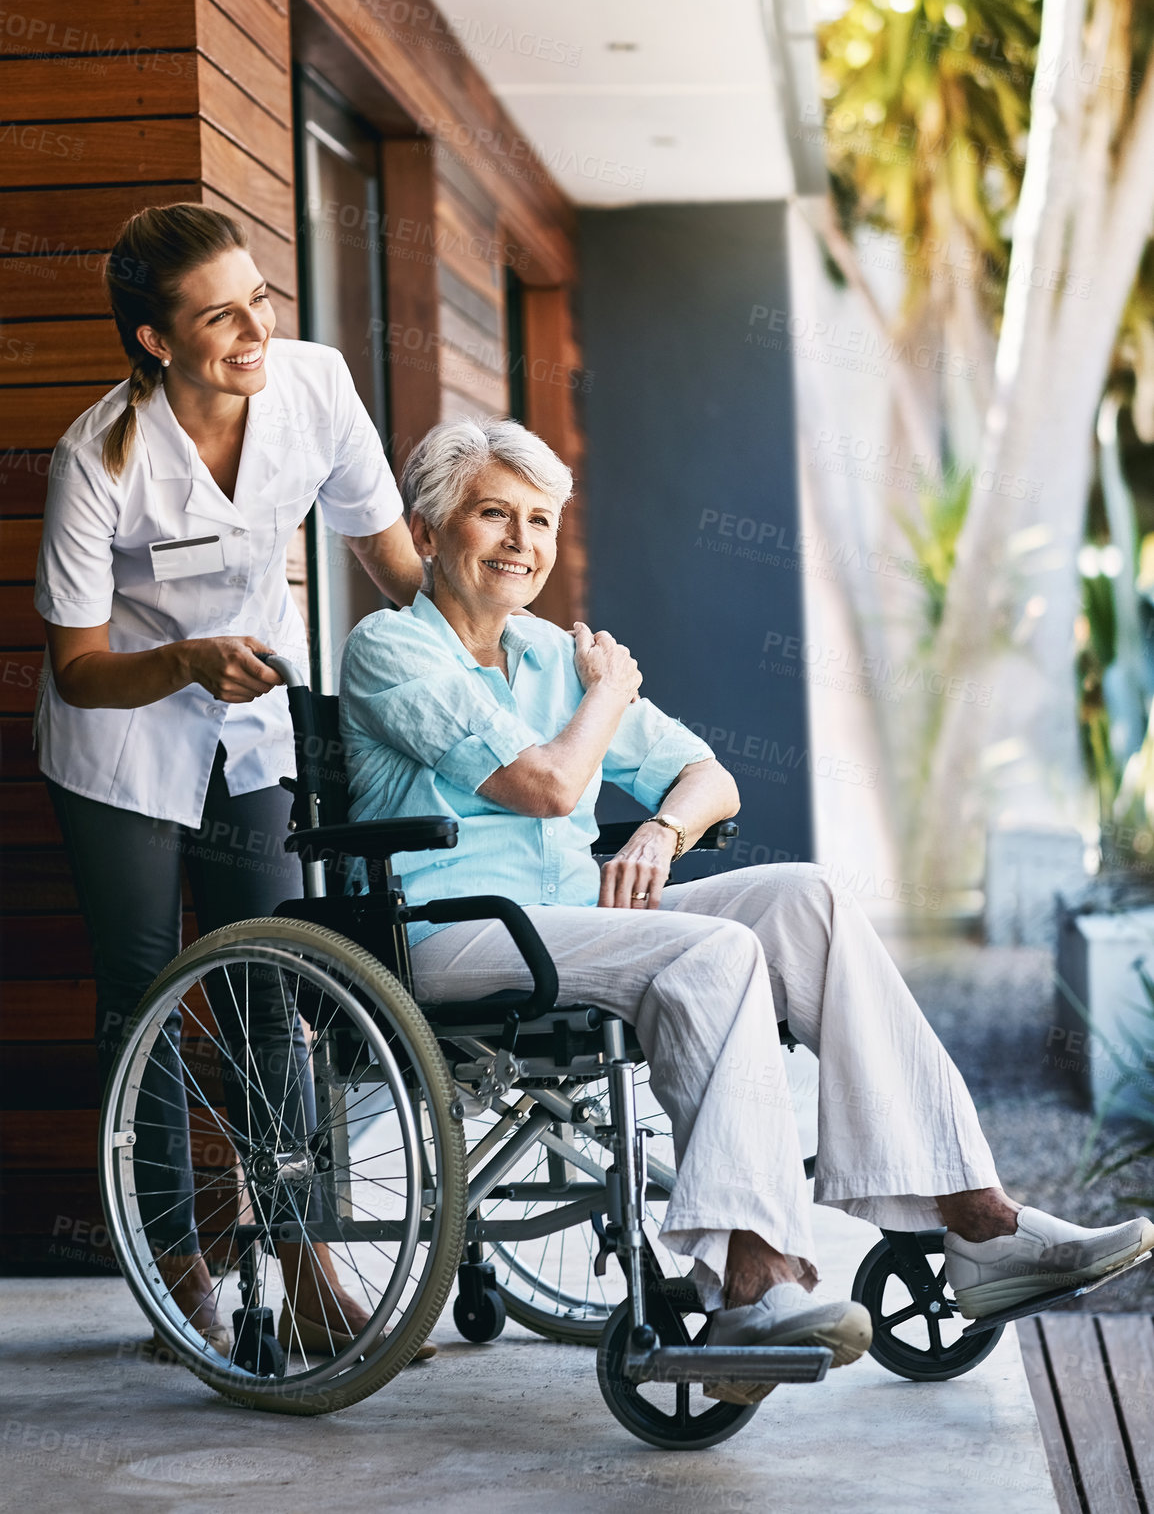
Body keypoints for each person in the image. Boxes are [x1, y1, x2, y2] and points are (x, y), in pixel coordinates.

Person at [340, 416, 1154, 1404]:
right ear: (427, 534)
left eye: (540, 519)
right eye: (492, 515)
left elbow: (706, 776)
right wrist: (612, 694)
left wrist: (656, 834)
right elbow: (551, 785)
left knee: (802, 897)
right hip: (453, 932)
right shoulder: (392, 650)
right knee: (712, 952)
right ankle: (748, 1281)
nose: (521, 541)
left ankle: (975, 1220)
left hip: (570, 921)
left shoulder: (558, 656)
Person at [34, 203, 427, 1360]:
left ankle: (305, 1269)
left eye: (260, 299)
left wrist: (491, 658)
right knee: (145, 998)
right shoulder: (95, 458)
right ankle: (177, 1275)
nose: (254, 328)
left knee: (272, 983)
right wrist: (186, 660)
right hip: (122, 740)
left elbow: (392, 560)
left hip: (253, 731)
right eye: (220, 316)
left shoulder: (314, 386)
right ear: (156, 341)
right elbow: (78, 666)